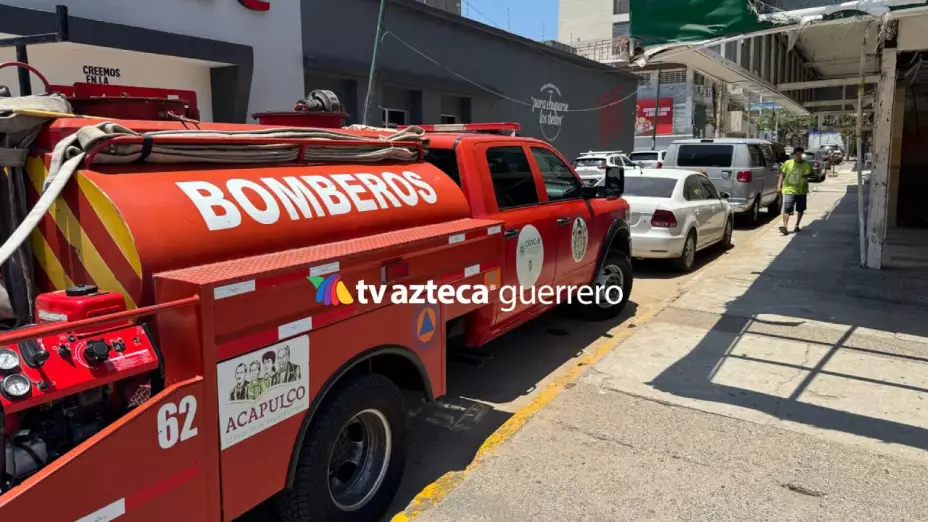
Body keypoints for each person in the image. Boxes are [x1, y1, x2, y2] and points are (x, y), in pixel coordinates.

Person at [778, 147, 813, 235]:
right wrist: (779, 185)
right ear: (794, 155)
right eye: (797, 154)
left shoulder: (806, 164)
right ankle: (785, 227)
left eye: (800, 154)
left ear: (802, 154)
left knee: (800, 209)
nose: (798, 156)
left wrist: (807, 175)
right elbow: (782, 174)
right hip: (789, 189)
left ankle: (797, 225)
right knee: (787, 208)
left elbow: (812, 173)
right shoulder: (788, 163)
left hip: (801, 190)